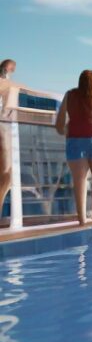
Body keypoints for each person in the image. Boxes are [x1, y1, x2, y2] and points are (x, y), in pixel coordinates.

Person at [55, 70, 92, 225]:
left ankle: (82, 218)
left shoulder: (69, 95)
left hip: (74, 140)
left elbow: (59, 125)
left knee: (79, 180)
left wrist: (67, 131)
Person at [0, 59, 20, 225]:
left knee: (7, 175)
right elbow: (8, 109)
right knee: (7, 174)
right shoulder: (8, 85)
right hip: (3, 128)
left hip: (4, 127)